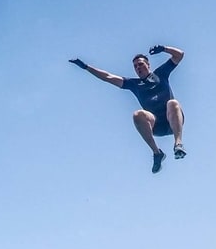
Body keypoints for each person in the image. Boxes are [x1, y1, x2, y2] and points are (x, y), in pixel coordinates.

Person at [70, 45, 185, 174]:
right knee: (137, 114)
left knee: (172, 103)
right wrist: (86, 67)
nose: (138, 68)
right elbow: (108, 77)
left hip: (172, 121)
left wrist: (163, 49)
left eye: (140, 64)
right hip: (155, 126)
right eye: (135, 66)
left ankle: (178, 144)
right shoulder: (134, 84)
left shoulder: (161, 73)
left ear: (148, 65)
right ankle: (157, 153)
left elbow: (179, 55)